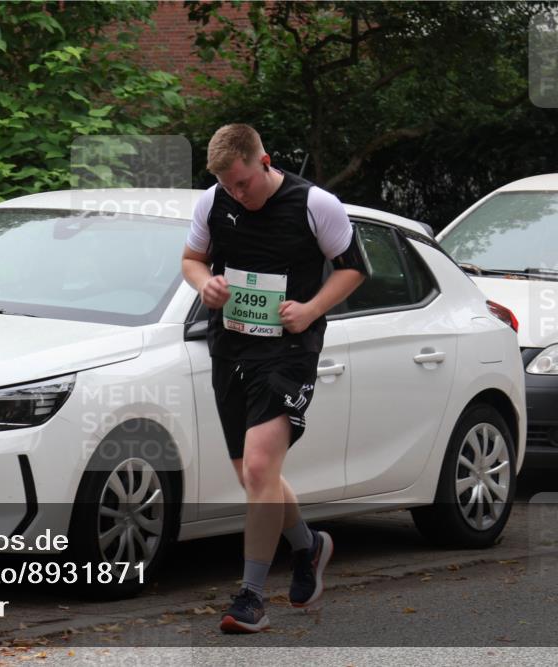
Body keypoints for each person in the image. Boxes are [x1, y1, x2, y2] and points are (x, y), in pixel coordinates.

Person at [181, 124, 369, 633]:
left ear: (264, 161)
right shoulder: (212, 202)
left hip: (289, 350)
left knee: (261, 468)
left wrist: (310, 310)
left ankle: (251, 597)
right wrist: (207, 286)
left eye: (243, 183)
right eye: (228, 186)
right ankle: (308, 547)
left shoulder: (315, 204)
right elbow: (192, 259)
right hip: (231, 346)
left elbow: (353, 268)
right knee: (251, 475)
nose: (237, 194)